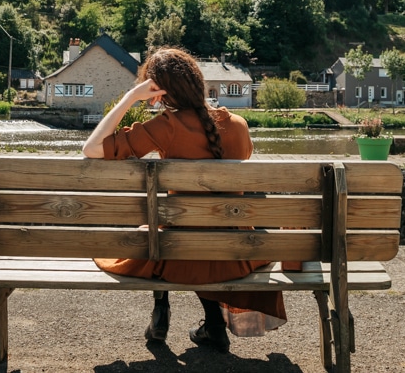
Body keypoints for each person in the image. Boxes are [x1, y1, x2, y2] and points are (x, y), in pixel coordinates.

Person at [82, 48, 286, 353]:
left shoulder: (165, 127)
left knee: (157, 237)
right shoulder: (239, 125)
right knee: (193, 237)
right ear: (197, 80)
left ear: (160, 91)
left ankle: (161, 307)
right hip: (236, 251)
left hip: (177, 251)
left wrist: (130, 98)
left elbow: (92, 148)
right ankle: (214, 324)